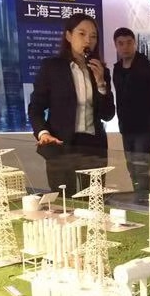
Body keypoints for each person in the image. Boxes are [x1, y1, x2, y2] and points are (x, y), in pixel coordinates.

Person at [28, 13, 115, 194]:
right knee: (64, 200)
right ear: (68, 36)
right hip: (61, 144)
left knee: (94, 200)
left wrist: (101, 83)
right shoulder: (52, 67)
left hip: (93, 147)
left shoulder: (101, 71)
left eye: (93, 36)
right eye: (81, 34)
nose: (88, 40)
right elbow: (35, 108)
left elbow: (108, 114)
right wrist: (43, 133)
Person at [112, 27, 150, 199]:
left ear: (135, 43)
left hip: (144, 130)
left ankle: (142, 203)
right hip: (126, 128)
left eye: (129, 42)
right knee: (132, 168)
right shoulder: (117, 69)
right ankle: (139, 198)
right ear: (116, 46)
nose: (125, 47)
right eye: (121, 43)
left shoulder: (148, 69)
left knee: (142, 170)